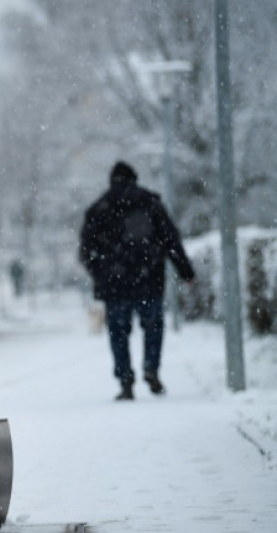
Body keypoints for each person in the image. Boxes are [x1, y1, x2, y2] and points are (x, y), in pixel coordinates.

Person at [79, 161, 195, 401]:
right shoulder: (150, 203)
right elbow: (171, 240)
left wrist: (101, 273)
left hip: (114, 285)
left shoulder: (99, 208)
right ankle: (151, 369)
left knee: (118, 333)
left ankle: (125, 381)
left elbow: (87, 251)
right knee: (153, 328)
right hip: (149, 279)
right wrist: (186, 271)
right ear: (134, 178)